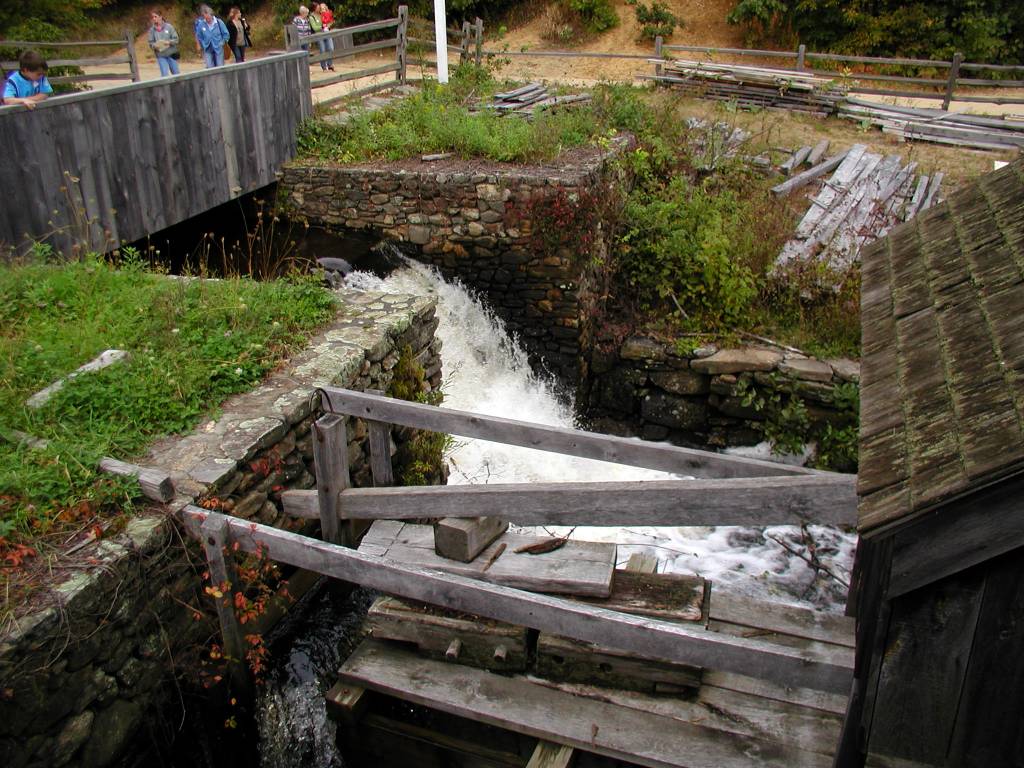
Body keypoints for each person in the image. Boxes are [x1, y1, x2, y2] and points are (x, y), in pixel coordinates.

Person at [194, 4, 230, 68]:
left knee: (220, 66)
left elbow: (226, 34)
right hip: (207, 48)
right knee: (209, 66)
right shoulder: (201, 24)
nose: (207, 19)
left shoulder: (219, 22)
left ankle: (220, 78)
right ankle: (213, 78)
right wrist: (201, 44)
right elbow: (198, 35)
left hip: (218, 47)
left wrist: (222, 42)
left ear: (211, 14)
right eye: (205, 18)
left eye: (208, 18)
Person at [147, 9, 181, 77]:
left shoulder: (169, 27)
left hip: (171, 54)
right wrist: (154, 46)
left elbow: (176, 39)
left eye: (155, 16)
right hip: (161, 55)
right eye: (152, 17)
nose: (154, 18)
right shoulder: (151, 30)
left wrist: (169, 42)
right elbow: (150, 43)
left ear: (160, 17)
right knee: (164, 75)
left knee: (176, 74)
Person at [317, 4, 335, 72]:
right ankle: (324, 67)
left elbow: (331, 21)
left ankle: (330, 64)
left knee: (330, 48)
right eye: (321, 8)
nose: (323, 10)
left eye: (324, 8)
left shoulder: (329, 13)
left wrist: (328, 25)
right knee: (322, 50)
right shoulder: (318, 16)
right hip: (320, 32)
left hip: (327, 30)